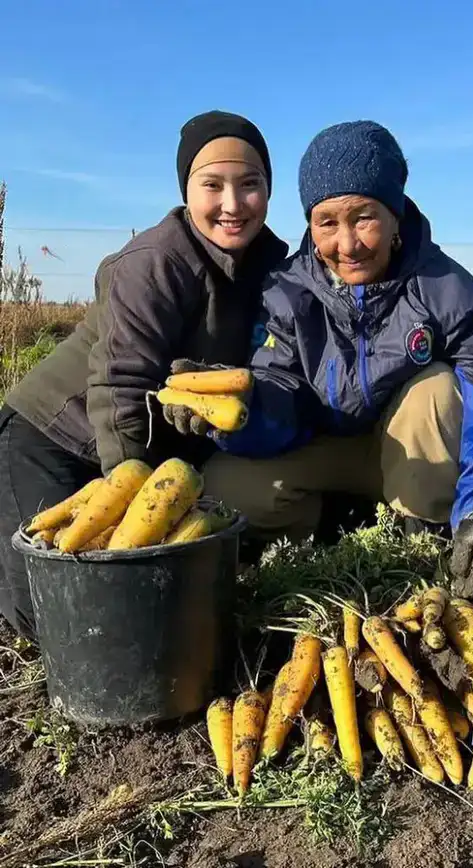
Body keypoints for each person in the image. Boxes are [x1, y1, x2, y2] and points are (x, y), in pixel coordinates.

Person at [181, 120, 473, 600]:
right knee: (220, 486)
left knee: (434, 388)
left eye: (364, 217)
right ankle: (334, 526)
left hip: (406, 459)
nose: (347, 245)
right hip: (326, 453)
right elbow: (282, 396)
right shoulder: (286, 291)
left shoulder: (444, 288)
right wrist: (241, 407)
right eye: (327, 222)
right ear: (309, 224)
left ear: (395, 215)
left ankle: (425, 541)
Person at [0, 110, 288, 638]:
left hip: (152, 451)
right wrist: (135, 497)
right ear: (187, 190)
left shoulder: (272, 267)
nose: (232, 204)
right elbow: (118, 386)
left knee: (151, 601)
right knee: (46, 612)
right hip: (55, 436)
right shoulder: (155, 261)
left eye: (250, 185)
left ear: (268, 190)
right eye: (212, 185)